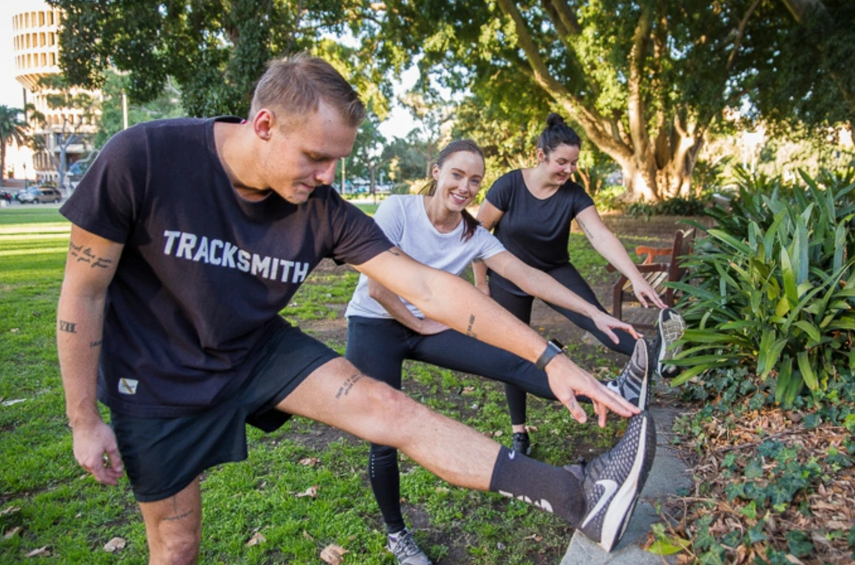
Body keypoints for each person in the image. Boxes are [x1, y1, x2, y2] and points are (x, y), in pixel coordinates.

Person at [55, 54, 655, 563]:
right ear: (263, 124)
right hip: (155, 376)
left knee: (389, 407)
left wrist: (548, 356)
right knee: (177, 545)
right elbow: (84, 292)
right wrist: (83, 419)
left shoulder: (320, 206)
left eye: (337, 160)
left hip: (254, 348)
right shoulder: (143, 158)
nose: (328, 175)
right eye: (317, 157)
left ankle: (580, 497)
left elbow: (428, 286)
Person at [344, 139, 652, 564]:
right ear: (436, 172)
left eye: (475, 181)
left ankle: (613, 393)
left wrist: (592, 312)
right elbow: (378, 288)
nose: (465, 187)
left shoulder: (473, 232)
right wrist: (418, 323)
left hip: (429, 323)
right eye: (457, 175)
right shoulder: (398, 209)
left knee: (514, 360)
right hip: (375, 323)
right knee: (382, 433)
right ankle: (397, 535)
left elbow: (527, 276)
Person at [474, 113, 686, 455]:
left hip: (555, 271)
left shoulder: (573, 194)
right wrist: (481, 283)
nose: (569, 170)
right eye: (562, 162)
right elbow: (478, 233)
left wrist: (635, 277)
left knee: (600, 323)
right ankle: (519, 434)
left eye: (573, 164)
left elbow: (600, 235)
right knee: (513, 351)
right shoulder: (509, 185)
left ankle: (660, 353)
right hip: (508, 276)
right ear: (540, 155)